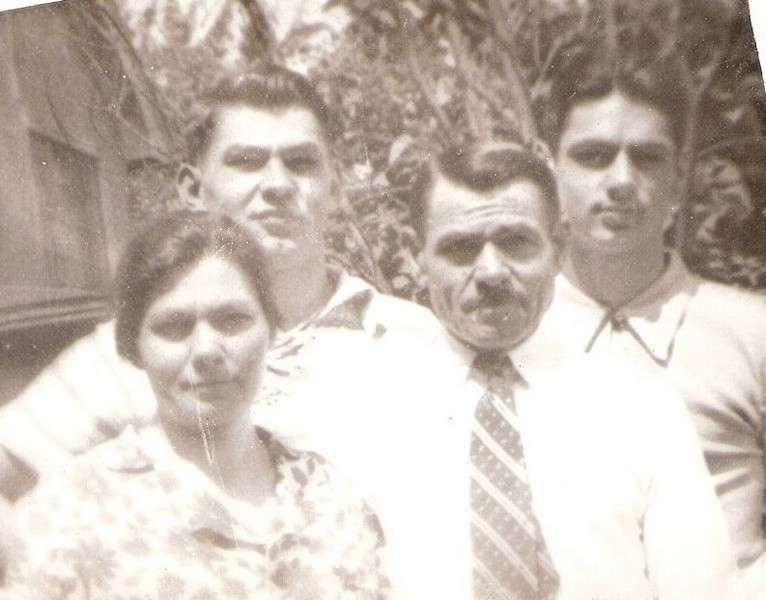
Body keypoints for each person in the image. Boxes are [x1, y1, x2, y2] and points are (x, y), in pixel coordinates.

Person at [0, 62, 436, 497]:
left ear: (335, 188)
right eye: (247, 162)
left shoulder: (411, 337)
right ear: (193, 189)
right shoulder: (137, 352)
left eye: (301, 162)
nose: (278, 184)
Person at [402, 141, 736, 599]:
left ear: (558, 247)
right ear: (418, 255)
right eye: (460, 248)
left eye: (516, 243)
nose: (492, 272)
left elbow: (704, 591)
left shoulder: (641, 404)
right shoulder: (370, 406)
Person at [2, 211, 389, 599]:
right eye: (173, 326)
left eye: (231, 320)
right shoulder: (71, 511)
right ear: (135, 346)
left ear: (271, 329)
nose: (206, 350)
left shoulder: (329, 498)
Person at [533, 46, 766, 574]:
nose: (621, 180)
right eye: (594, 155)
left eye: (647, 157)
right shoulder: (514, 335)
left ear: (680, 174)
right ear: (550, 168)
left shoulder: (751, 333)